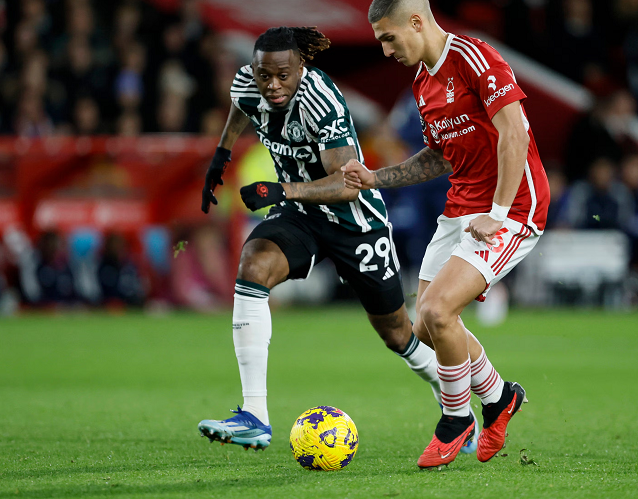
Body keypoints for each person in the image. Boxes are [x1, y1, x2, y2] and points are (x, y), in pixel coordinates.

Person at [197, 26, 471, 452]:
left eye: (282, 76)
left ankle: (458, 408)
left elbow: (348, 185)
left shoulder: (321, 100)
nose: (272, 85)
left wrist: (282, 189)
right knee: (253, 264)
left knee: (398, 333)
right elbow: (241, 105)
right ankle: (255, 415)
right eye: (263, 75)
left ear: (301, 67)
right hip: (302, 215)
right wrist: (222, 153)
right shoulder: (249, 83)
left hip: (354, 221)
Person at [343, 0, 550, 469]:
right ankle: (499, 398)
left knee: (437, 310)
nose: (387, 50)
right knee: (429, 326)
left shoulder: (475, 57)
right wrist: (376, 177)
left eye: (389, 38)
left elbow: (514, 131)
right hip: (462, 208)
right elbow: (439, 154)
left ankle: (455, 417)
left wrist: (497, 215)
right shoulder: (421, 82)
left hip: (513, 206)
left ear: (416, 22)